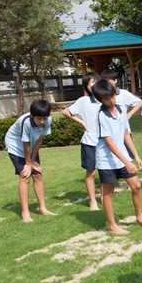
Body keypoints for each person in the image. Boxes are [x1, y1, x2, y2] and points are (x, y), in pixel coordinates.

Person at [92, 80, 142, 234]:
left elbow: (125, 133)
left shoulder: (120, 109)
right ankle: (113, 226)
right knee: (108, 193)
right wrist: (127, 162)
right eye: (107, 99)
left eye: (112, 97)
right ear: (100, 100)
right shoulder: (101, 115)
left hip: (123, 157)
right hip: (106, 160)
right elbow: (109, 144)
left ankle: (139, 217)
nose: (111, 101)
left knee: (136, 186)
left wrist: (135, 155)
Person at [4, 100, 57, 223]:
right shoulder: (26, 122)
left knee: (37, 175)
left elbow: (40, 140)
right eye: (39, 119)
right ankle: (25, 213)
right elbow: (25, 143)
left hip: (31, 147)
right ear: (32, 115)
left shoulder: (48, 120)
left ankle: (42, 209)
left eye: (45, 118)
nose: (42, 122)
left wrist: (32, 161)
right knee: (25, 176)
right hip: (16, 147)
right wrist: (29, 164)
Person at [62, 72, 102, 211]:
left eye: (96, 81)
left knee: (105, 171)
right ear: (86, 86)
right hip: (90, 141)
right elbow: (66, 112)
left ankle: (104, 197)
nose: (94, 84)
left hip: (105, 142)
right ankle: (92, 201)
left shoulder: (106, 98)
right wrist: (82, 122)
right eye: (91, 82)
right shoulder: (83, 101)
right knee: (91, 172)